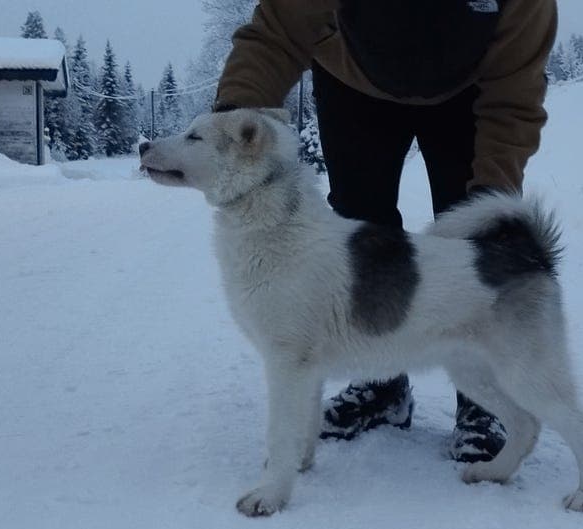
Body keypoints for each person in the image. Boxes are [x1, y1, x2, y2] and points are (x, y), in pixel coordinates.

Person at [213, 0, 558, 462]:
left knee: (471, 246)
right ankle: (380, 387)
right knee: (360, 228)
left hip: (470, 90)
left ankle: (481, 399)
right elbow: (278, 30)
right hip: (353, 80)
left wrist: (492, 199)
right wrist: (235, 118)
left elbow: (515, 93)